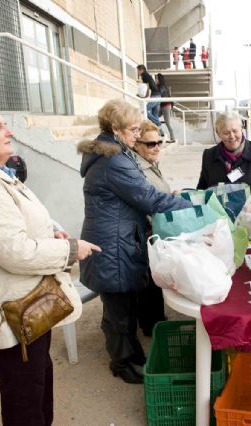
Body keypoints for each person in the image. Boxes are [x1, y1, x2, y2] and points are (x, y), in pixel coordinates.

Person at [0, 100, 100, 425]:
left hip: (30, 309)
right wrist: (70, 250)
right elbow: (14, 251)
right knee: (25, 407)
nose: (8, 130)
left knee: (37, 393)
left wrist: (53, 234)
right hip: (14, 316)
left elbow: (23, 228)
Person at [77, 99, 191, 384]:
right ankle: (123, 363)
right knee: (119, 310)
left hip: (115, 237)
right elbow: (148, 197)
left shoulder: (113, 153)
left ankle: (131, 356)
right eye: (133, 129)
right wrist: (188, 206)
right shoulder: (114, 160)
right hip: (113, 243)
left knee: (121, 305)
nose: (138, 135)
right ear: (115, 129)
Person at [132, 120, 171, 335]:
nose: (156, 147)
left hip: (154, 230)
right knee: (148, 283)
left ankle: (155, 321)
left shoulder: (150, 164)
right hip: (146, 233)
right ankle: (152, 325)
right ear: (136, 144)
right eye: (150, 144)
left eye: (159, 142)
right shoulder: (138, 169)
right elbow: (149, 201)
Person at [197, 110, 251, 191]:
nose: (231, 136)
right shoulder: (209, 156)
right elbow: (202, 190)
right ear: (218, 134)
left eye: (235, 131)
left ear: (242, 129)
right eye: (226, 133)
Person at [155, 73, 176, 143]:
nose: (155, 80)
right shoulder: (160, 86)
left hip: (166, 106)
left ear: (159, 79)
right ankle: (161, 133)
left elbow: (159, 96)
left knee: (167, 123)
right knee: (154, 117)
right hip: (162, 106)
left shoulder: (162, 87)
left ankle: (172, 138)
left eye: (156, 78)